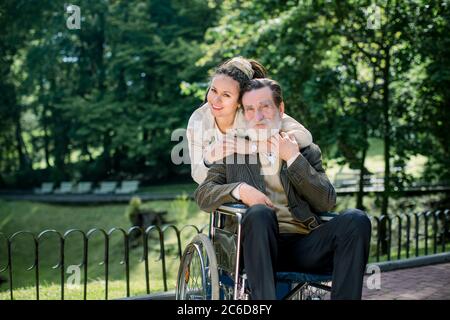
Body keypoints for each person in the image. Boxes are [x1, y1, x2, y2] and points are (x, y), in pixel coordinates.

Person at [194, 78, 372, 300]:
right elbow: (203, 194)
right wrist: (240, 190)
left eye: (264, 107)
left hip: (304, 246)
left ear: (280, 109)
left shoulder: (305, 150)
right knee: (259, 213)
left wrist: (293, 158)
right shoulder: (233, 152)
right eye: (250, 109)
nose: (257, 116)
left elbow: (327, 201)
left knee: (357, 219)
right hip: (257, 247)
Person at [187, 56, 313, 184]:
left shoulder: (254, 113)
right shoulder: (199, 120)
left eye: (226, 95)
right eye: (214, 90)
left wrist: (252, 147)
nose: (215, 100)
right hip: (227, 191)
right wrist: (209, 158)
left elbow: (304, 137)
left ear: (240, 101)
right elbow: (198, 175)